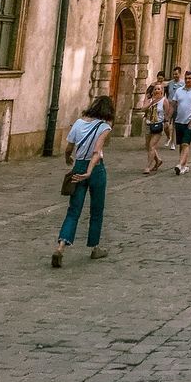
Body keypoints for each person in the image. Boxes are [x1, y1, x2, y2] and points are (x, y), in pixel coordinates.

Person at [52, 95, 115, 268]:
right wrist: (89, 172)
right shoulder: (104, 127)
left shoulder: (79, 123)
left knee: (73, 210)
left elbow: (69, 148)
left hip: (78, 166)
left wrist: (68, 159)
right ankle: (95, 247)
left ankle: (60, 247)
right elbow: (97, 151)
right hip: (95, 169)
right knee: (97, 209)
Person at [142, 76, 166, 174]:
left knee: (152, 146)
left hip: (158, 125)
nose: (157, 90)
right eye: (155, 89)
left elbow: (168, 112)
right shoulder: (149, 99)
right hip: (148, 124)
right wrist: (152, 102)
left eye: (158, 89)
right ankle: (158, 160)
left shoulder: (164, 101)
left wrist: (166, 122)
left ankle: (148, 166)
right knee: (148, 146)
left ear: (161, 91)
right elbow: (143, 109)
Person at [164, 66, 184, 148]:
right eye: (173, 74)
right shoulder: (170, 83)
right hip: (169, 105)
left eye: (176, 74)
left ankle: (172, 142)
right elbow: (167, 93)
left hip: (178, 106)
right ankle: (168, 137)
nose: (175, 75)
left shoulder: (183, 84)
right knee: (166, 124)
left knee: (175, 125)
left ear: (180, 74)